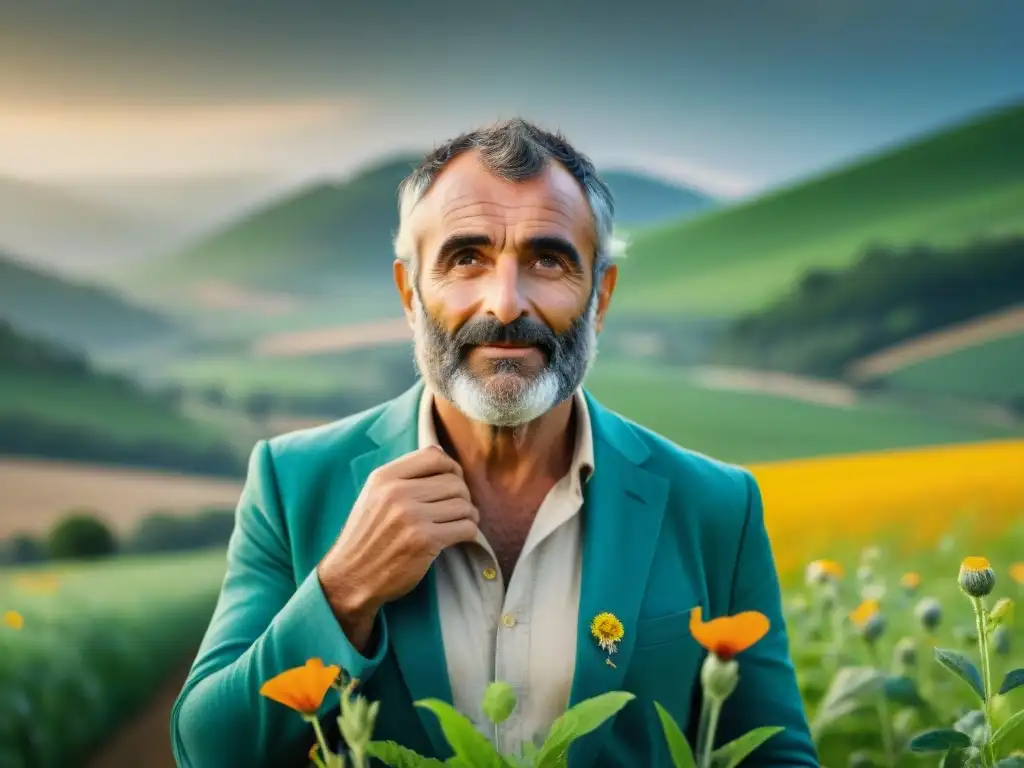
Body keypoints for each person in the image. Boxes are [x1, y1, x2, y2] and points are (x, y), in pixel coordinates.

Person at [170, 118, 818, 767]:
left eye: (548, 260)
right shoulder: (292, 483)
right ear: (409, 293)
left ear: (601, 297)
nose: (505, 304)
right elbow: (207, 748)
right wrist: (344, 591)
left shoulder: (716, 506)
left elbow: (778, 757)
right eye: (465, 258)